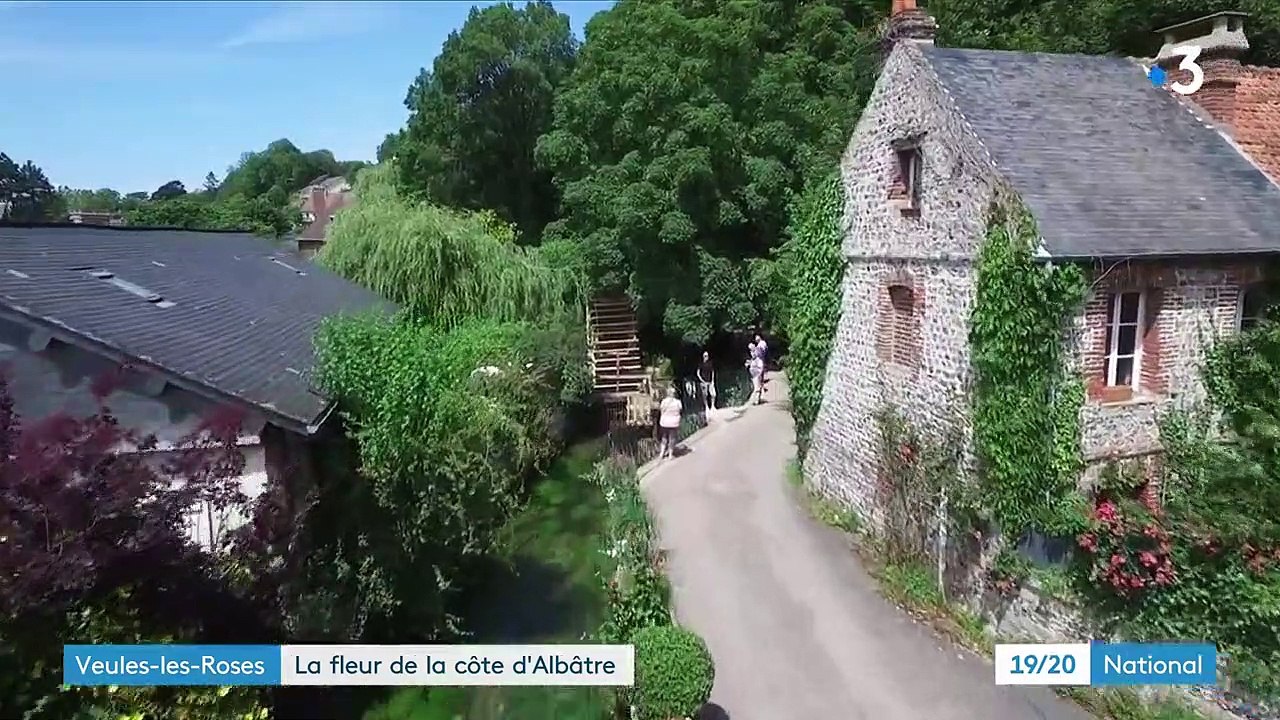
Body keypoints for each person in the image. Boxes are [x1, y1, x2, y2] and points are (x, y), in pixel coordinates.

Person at [658, 386, 683, 459]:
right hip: (674, 422)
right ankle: (670, 455)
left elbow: (661, 410)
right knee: (672, 438)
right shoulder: (678, 402)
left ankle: (661, 453)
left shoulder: (663, 402)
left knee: (664, 437)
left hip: (664, 422)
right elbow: (680, 410)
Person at [746, 341, 764, 406]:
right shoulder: (753, 359)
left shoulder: (758, 358)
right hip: (753, 375)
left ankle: (756, 401)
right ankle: (755, 400)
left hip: (756, 374)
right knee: (755, 387)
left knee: (757, 388)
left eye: (752, 351)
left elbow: (760, 367)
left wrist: (759, 374)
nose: (751, 353)